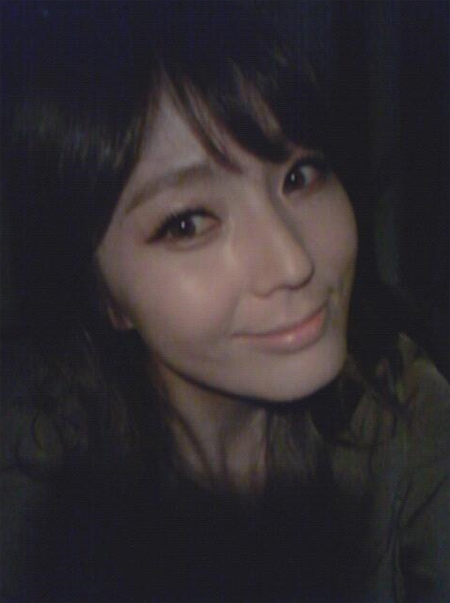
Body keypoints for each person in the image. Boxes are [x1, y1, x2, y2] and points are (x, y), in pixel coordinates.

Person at [2, 2, 449, 602]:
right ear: (104, 296)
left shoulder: (406, 409)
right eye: (187, 223)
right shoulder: (33, 484)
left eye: (299, 176)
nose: (293, 263)